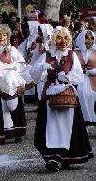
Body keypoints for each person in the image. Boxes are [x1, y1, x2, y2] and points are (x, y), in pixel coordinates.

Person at [30, 26, 93, 171]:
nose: (63, 41)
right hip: (50, 97)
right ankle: (53, 157)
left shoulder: (71, 55)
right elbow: (33, 75)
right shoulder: (46, 55)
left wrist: (67, 77)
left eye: (65, 38)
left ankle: (59, 157)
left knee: (65, 127)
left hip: (66, 96)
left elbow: (78, 75)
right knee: (49, 128)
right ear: (54, 39)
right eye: (59, 38)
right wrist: (41, 67)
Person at [0, 24, 27, 143]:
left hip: (11, 83)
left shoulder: (12, 50)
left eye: (4, 35)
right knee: (1, 108)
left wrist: (9, 68)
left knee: (13, 106)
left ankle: (17, 133)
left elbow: (21, 63)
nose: (2, 37)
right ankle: (3, 133)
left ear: (8, 37)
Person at [75, 30, 96, 126]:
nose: (90, 40)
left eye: (92, 38)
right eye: (87, 38)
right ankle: (84, 120)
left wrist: (93, 71)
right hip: (79, 79)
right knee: (80, 93)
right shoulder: (75, 52)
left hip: (93, 79)